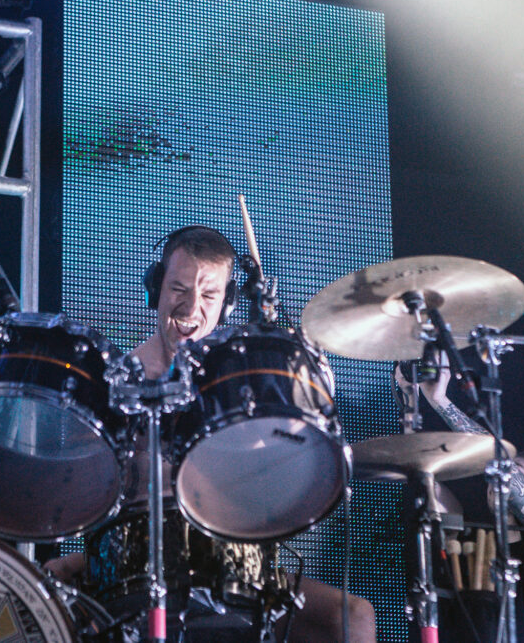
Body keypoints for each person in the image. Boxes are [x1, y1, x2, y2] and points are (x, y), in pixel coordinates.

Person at [48, 225, 376, 643]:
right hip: (138, 561)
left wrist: (298, 386)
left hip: (236, 561)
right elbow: (80, 492)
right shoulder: (117, 381)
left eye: (208, 295)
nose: (191, 308)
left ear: (227, 303)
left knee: (354, 617)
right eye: (178, 289)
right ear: (156, 288)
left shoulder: (240, 383)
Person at [395, 357, 524, 643]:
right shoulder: (472, 538)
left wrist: (440, 400)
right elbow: (423, 476)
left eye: (518, 468)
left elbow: (500, 465)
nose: (493, 476)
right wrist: (412, 401)